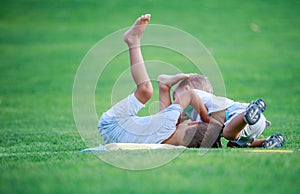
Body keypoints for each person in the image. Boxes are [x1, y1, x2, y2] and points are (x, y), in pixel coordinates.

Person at [97, 14, 222, 148]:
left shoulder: (169, 121)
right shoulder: (165, 141)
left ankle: (133, 41)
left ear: (193, 123)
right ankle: (164, 84)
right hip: (110, 137)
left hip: (113, 122)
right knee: (164, 116)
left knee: (145, 90)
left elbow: (191, 94)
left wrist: (206, 118)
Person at [173, 78, 286, 148]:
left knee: (228, 133)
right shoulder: (193, 113)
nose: (176, 102)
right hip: (254, 122)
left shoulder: (195, 95)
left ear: (186, 88)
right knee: (234, 144)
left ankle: (249, 112)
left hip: (237, 113)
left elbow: (207, 117)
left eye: (175, 96)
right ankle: (268, 141)